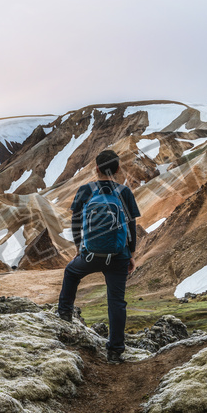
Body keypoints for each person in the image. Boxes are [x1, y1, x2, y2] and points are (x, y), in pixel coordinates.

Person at [57, 149, 140, 364]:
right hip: (118, 256)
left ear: (96, 169)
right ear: (118, 169)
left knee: (71, 272)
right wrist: (131, 254)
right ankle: (114, 352)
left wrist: (79, 249)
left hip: (90, 254)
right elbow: (132, 225)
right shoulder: (125, 192)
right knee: (116, 302)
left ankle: (64, 317)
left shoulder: (85, 190)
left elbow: (76, 222)